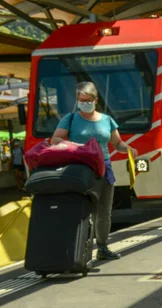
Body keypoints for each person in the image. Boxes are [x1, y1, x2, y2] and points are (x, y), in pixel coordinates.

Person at [51, 81, 138, 261]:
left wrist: (128, 149)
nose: (84, 103)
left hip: (104, 167)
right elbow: (56, 139)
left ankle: (102, 247)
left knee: (104, 211)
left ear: (95, 100)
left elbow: (116, 143)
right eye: (80, 100)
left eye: (87, 99)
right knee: (82, 209)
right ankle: (81, 249)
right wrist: (76, 146)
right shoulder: (71, 118)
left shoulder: (107, 120)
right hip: (80, 168)